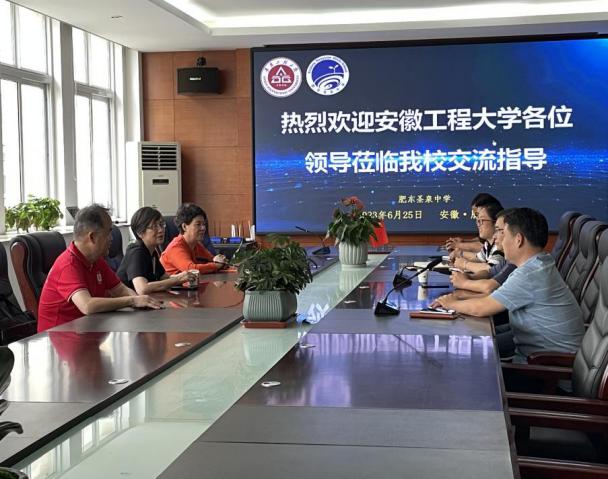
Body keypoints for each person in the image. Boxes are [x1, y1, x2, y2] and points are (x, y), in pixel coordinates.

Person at [434, 207, 584, 363]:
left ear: (518, 239)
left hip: (548, 368)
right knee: (472, 345)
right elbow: (493, 298)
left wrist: (449, 303)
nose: (497, 239)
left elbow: (481, 308)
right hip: (540, 354)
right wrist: (458, 299)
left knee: (464, 356)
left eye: (502, 233)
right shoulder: (539, 263)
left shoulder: (530, 274)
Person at [38, 204, 161, 332]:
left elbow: (120, 290)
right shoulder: (67, 265)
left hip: (88, 330)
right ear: (92, 237)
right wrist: (133, 301)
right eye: (108, 233)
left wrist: (142, 304)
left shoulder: (96, 261)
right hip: (58, 337)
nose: (111, 238)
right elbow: (87, 305)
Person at [117, 207, 196, 294]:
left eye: (161, 224)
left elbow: (164, 278)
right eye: (154, 226)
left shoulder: (152, 251)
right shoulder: (136, 252)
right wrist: (178, 279)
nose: (161, 230)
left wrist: (184, 276)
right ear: (140, 233)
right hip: (126, 301)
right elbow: (142, 289)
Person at [160, 203, 227, 276]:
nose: (203, 228)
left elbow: (212, 259)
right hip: (175, 283)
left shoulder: (196, 244)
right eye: (198, 224)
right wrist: (217, 266)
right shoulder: (175, 247)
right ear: (184, 227)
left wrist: (220, 260)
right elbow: (191, 269)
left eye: (204, 224)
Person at [450, 202, 505, 274]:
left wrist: (465, 264)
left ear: (496, 223)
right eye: (477, 220)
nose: (478, 224)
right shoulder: (488, 243)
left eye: (481, 220)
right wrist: (459, 253)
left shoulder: (500, 245)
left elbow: (491, 269)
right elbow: (478, 258)